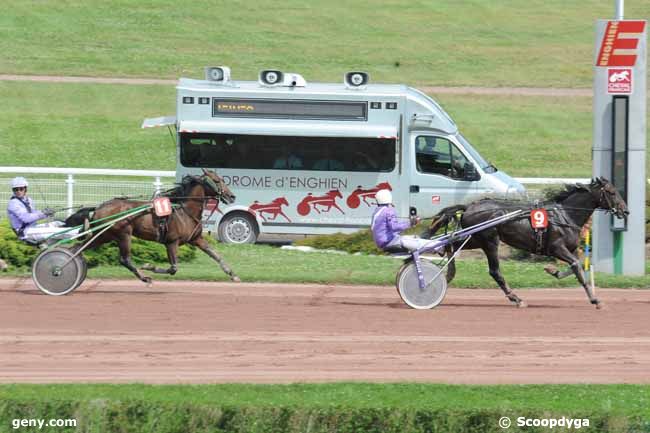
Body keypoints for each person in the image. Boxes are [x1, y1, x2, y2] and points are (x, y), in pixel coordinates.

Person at [6, 177, 71, 245]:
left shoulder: (28, 200)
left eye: (21, 189)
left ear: (25, 189)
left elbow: (33, 214)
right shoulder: (13, 203)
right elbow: (26, 218)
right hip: (25, 232)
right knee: (60, 231)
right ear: (13, 190)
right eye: (15, 189)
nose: (18, 191)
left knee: (59, 223)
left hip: (33, 228)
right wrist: (43, 213)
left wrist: (46, 213)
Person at [371, 189, 439, 253]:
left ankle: (435, 248)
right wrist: (412, 222)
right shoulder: (388, 210)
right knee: (415, 241)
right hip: (389, 241)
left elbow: (386, 228)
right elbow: (394, 227)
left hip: (382, 242)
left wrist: (410, 223)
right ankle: (438, 246)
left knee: (413, 237)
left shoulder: (377, 211)